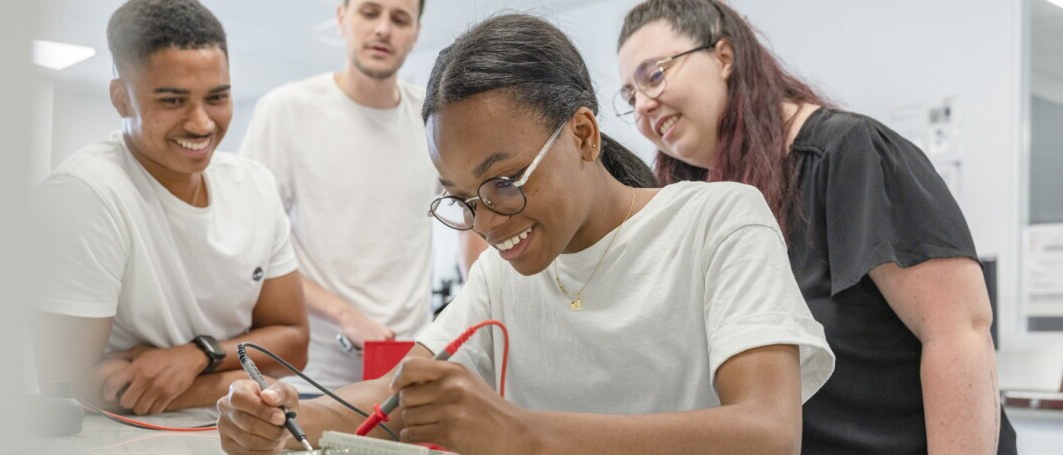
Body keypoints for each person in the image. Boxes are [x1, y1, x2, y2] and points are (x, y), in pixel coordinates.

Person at [217, 14, 835, 454]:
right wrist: (286, 415)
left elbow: (767, 432)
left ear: (584, 136)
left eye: (504, 182)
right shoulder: (500, 274)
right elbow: (396, 394)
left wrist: (523, 435)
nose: (486, 223)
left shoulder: (719, 221)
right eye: (461, 201)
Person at [614, 1, 1017, 454]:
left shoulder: (851, 154)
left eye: (654, 75)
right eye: (630, 96)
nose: (644, 105)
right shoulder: (702, 209)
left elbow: (958, 333)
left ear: (723, 57)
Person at [29, 0, 309, 415]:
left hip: (237, 429)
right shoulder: (85, 193)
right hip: (122, 439)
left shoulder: (255, 185)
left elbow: (293, 343)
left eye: (217, 97)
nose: (201, 124)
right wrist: (240, 379)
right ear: (122, 99)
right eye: (173, 101)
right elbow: (66, 386)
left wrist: (200, 356)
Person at [238, 0, 484, 396]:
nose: (384, 29)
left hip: (404, 370)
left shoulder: (433, 121)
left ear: (416, 33)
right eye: (370, 13)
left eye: (399, 18)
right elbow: (252, 250)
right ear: (341, 18)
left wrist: (478, 297)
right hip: (307, 375)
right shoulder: (286, 111)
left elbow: (474, 212)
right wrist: (342, 313)